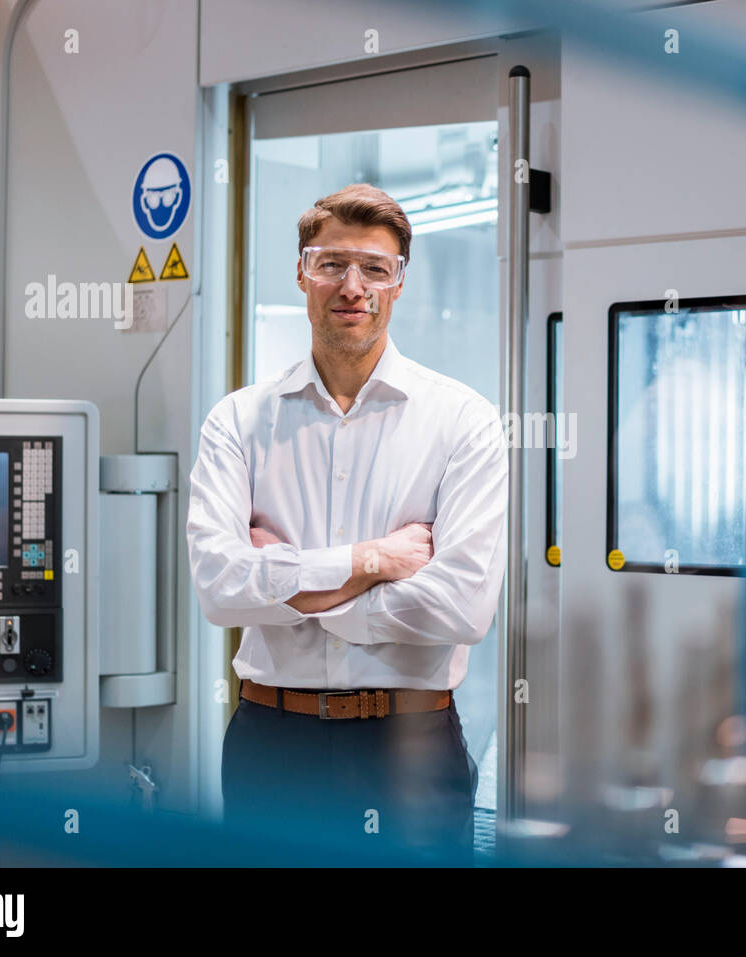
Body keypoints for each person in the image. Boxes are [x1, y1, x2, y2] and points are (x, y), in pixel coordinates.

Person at [186, 183, 508, 865]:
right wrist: (368, 563)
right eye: (331, 263)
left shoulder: (463, 421)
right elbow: (219, 589)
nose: (352, 286)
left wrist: (290, 585)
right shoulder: (237, 422)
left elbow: (462, 607)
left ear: (399, 283)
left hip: (410, 751)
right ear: (302, 273)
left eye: (374, 268)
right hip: (273, 746)